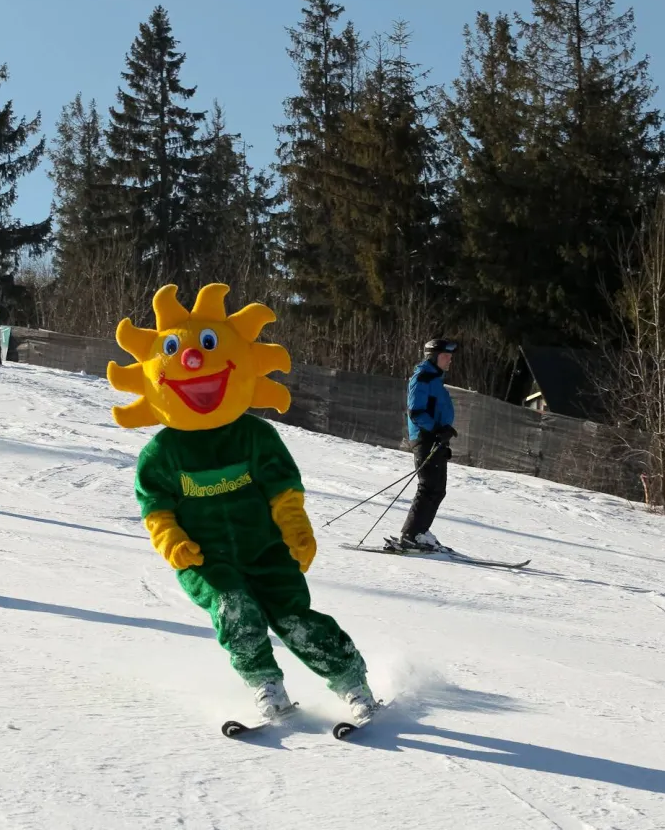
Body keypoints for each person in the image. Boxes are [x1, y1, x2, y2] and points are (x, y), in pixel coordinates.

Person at [106, 282, 379, 726]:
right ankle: (266, 686)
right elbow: (154, 506)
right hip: (206, 558)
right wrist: (172, 540)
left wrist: (294, 527)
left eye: (207, 346)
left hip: (265, 549)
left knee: (294, 618)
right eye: (176, 352)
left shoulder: (256, 437)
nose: (194, 360)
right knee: (235, 608)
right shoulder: (162, 454)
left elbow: (282, 489)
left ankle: (353, 684)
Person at [399, 338, 458, 550]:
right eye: (445, 356)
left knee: (437, 490)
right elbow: (416, 411)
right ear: (433, 357)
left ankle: (420, 533)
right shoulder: (422, 378)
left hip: (435, 439)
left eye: (450, 356)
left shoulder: (434, 380)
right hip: (425, 439)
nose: (449, 360)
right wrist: (436, 430)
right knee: (428, 488)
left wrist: (444, 431)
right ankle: (411, 535)